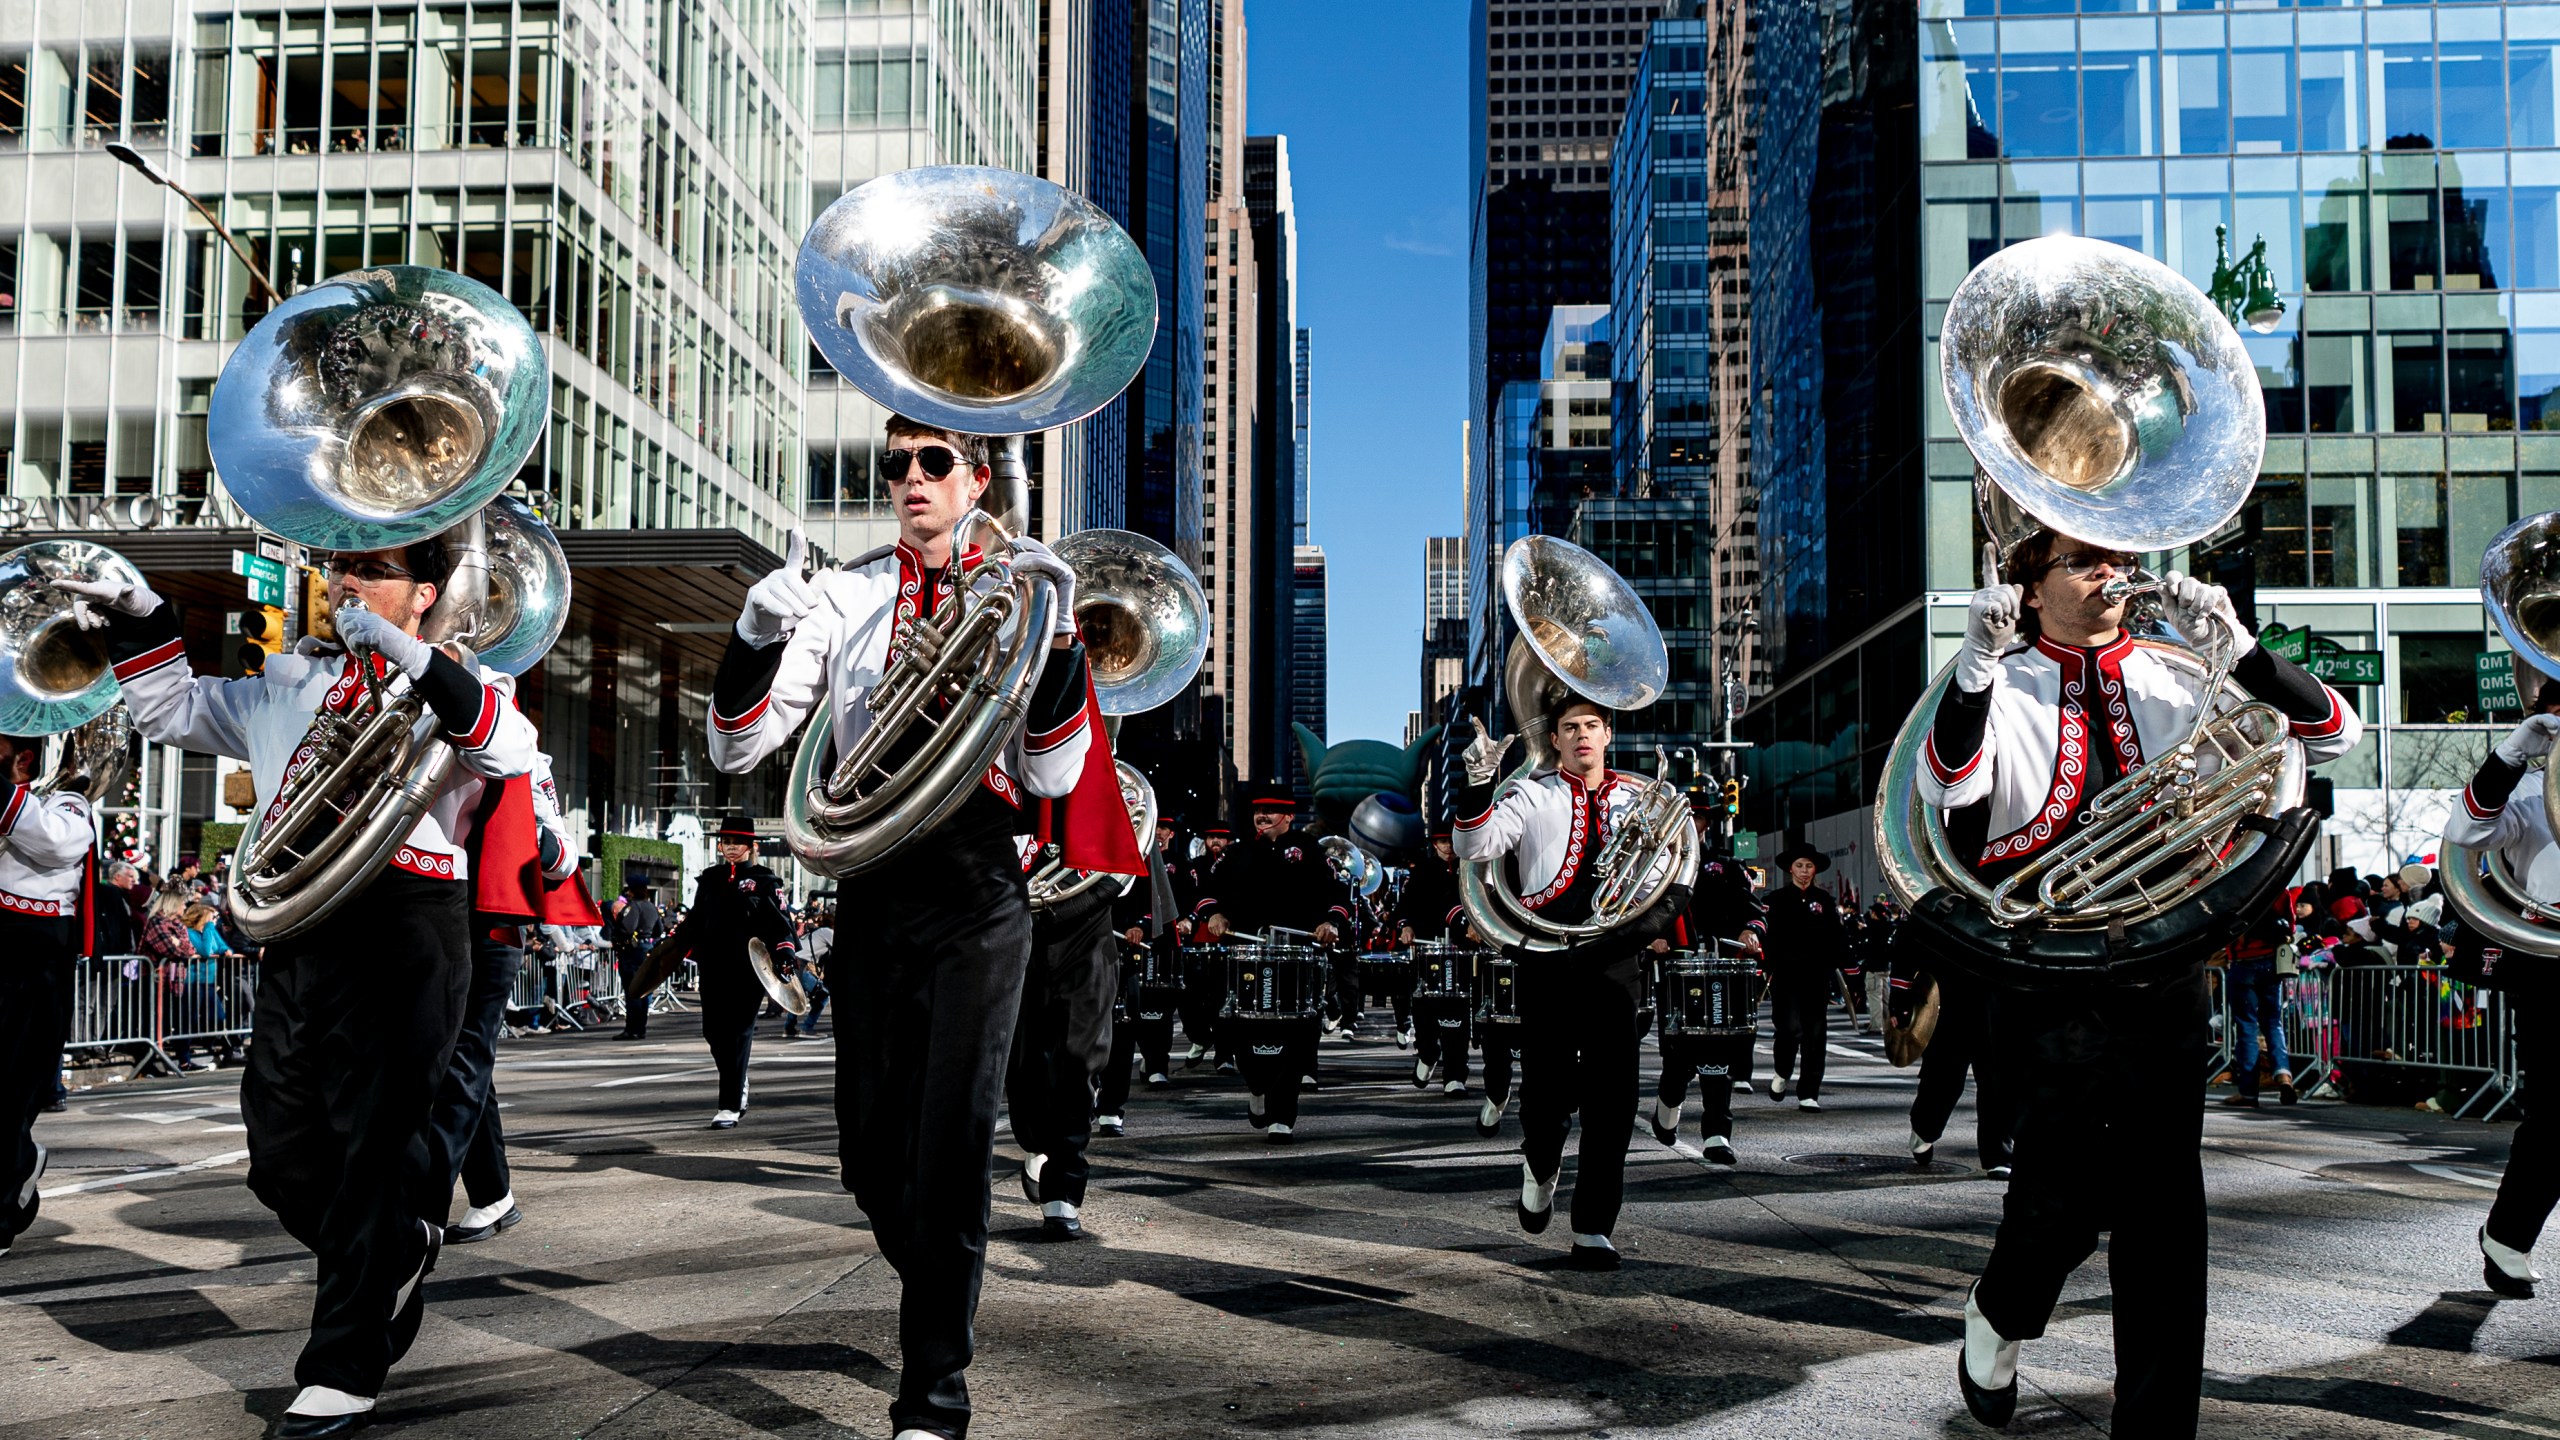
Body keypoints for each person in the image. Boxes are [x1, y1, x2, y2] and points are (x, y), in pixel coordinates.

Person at [705, 410, 1123, 1440]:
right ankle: (941, 1273)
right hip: (874, 878)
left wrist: (1061, 639)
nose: (911, 480)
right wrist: (753, 634)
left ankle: (933, 1388)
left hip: (979, 886)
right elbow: (737, 747)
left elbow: (1057, 772)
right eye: (895, 466)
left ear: (976, 479)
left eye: (934, 463)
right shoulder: (848, 594)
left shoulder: (1018, 598)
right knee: (867, 1156)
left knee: (949, 1147)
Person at [73, 533, 538, 1438]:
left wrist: (410, 655)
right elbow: (169, 710)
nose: (347, 582)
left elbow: (505, 750)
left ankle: (343, 1367)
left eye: (373, 570)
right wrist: (142, 618)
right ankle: (395, 1249)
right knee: (279, 1150)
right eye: (340, 568)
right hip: (302, 919)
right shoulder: (286, 683)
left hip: (408, 917)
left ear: (424, 593)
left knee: (375, 1149)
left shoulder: (461, 677)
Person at [1918, 533, 2359, 1434]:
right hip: (2040, 966)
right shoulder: (1998, 681)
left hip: (2165, 959)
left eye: (2114, 555)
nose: (2108, 571)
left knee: (2165, 1207)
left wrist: (2240, 653)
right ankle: (1998, 1311)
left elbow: (2334, 734)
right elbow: (1947, 786)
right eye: (2081, 560)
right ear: (2031, 590)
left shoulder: (2179, 671)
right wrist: (1972, 668)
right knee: (2059, 1199)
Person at [1455, 703, 1693, 1272]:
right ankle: (1539, 1165)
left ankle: (1593, 1228)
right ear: (1556, 740)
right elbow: (1474, 848)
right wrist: (1480, 783)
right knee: (1546, 1098)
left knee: (1614, 1102)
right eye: (1570, 728)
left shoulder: (1644, 801)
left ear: (1608, 734)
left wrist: (1635, 934)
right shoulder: (1532, 796)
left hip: (1614, 964)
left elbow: (1671, 880)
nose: (1581, 736)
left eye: (1591, 726)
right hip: (1547, 961)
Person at [431, 752, 587, 1246]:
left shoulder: (521, 754)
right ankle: (493, 1196)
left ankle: (418, 1208)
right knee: (463, 1067)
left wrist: (526, 838)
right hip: (430, 917)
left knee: (460, 1062)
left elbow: (563, 855)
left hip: (489, 928)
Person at [2444, 704, 2560, 1299]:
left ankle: (2508, 1233)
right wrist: (2515, 751)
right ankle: (2508, 1234)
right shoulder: (2534, 791)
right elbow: (2465, 834)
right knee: (2559, 1119)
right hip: (2551, 964)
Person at [1191, 789, 1347, 1141]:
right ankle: (1257, 1085)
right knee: (1238, 1027)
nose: (1262, 816)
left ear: (1289, 817)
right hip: (1246, 954)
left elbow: (1337, 896)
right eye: (1258, 810)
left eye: (1271, 811)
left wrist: (1330, 924)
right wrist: (1213, 913)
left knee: (1294, 1033)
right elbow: (1205, 889)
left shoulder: (1311, 851)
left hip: (1295, 956)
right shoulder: (1238, 851)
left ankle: (1283, 1116)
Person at [0, 731, 98, 1261]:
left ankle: (3, 1210)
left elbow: (58, 843)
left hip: (31, 967)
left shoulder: (66, 801)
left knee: (7, 1095)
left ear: (25, 756)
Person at [650, 815, 798, 1127]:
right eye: (726, 842)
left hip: (750, 969)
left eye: (738, 842)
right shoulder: (709, 879)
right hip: (713, 964)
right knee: (713, 1032)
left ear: (751, 846)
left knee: (739, 1032)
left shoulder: (765, 880)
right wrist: (672, 945)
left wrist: (785, 952)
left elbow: (780, 922)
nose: (731, 848)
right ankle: (738, 1079)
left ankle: (729, 1104)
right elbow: (694, 921)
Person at [1650, 855, 1763, 1164]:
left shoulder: (1726, 867)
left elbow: (1753, 910)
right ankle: (1667, 1106)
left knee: (1720, 1056)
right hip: (1678, 970)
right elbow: (1649, 906)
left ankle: (1717, 1134)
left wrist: (1750, 932)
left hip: (1722, 972)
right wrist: (1654, 935)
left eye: (1701, 820)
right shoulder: (1664, 860)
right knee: (1678, 1060)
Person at [1889, 928, 2014, 1176]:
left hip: (1993, 995)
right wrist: (1901, 1001)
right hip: (1945, 1000)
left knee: (1996, 1080)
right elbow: (1909, 941)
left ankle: (1998, 1154)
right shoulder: (1941, 902)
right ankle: (1924, 1128)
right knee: (1943, 1079)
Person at [1095, 820, 1183, 1136]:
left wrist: (1140, 925)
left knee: (1121, 1027)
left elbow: (1150, 896)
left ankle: (1111, 1109)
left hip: (1118, 948)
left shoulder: (1135, 839)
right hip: (1076, 944)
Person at [1761, 843, 1844, 1112]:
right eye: (1799, 866)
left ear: (1815, 869)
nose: (1804, 871)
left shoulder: (1825, 901)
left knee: (1815, 1035)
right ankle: (1782, 1071)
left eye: (1809, 866)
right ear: (1790, 869)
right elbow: (1767, 939)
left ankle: (1809, 1092)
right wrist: (1765, 968)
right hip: (1785, 976)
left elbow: (1837, 939)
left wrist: (1847, 972)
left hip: (1817, 976)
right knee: (1789, 1029)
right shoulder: (1775, 900)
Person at [1397, 828, 1474, 1098]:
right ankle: (1428, 1053)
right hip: (1428, 949)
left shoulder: (1472, 868)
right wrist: (1406, 926)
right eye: (1443, 841)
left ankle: (1455, 1076)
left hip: (1461, 951)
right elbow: (1404, 906)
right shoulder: (1423, 871)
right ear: (1435, 844)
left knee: (1458, 1014)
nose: (1449, 846)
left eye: (1453, 841)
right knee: (1425, 1010)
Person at [2220, 895, 2297, 1109]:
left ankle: (2248, 1092)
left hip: (2242, 960)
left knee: (2246, 1026)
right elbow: (2290, 923)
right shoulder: (2280, 889)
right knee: (2273, 1023)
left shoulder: (2237, 888)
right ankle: (2283, 1075)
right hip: (2272, 960)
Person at [1179, 820, 1234, 1072]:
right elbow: (1191, 897)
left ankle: (1224, 1055)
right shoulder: (1196, 866)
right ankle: (1200, 1038)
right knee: (1188, 997)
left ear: (1229, 842)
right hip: (1197, 939)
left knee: (1223, 1000)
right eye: (1211, 837)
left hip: (1227, 940)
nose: (1215, 842)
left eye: (1220, 838)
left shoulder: (1235, 864)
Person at [607, 881, 663, 1040]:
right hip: (646, 950)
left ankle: (632, 1029)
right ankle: (641, 1028)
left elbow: (627, 928)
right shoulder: (652, 907)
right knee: (644, 992)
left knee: (632, 992)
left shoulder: (633, 907)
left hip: (633, 952)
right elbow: (658, 930)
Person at [787, 912, 834, 1039]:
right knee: (822, 996)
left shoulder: (819, 932)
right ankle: (807, 1028)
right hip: (801, 965)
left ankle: (789, 1027)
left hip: (795, 962)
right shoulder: (829, 933)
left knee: (796, 996)